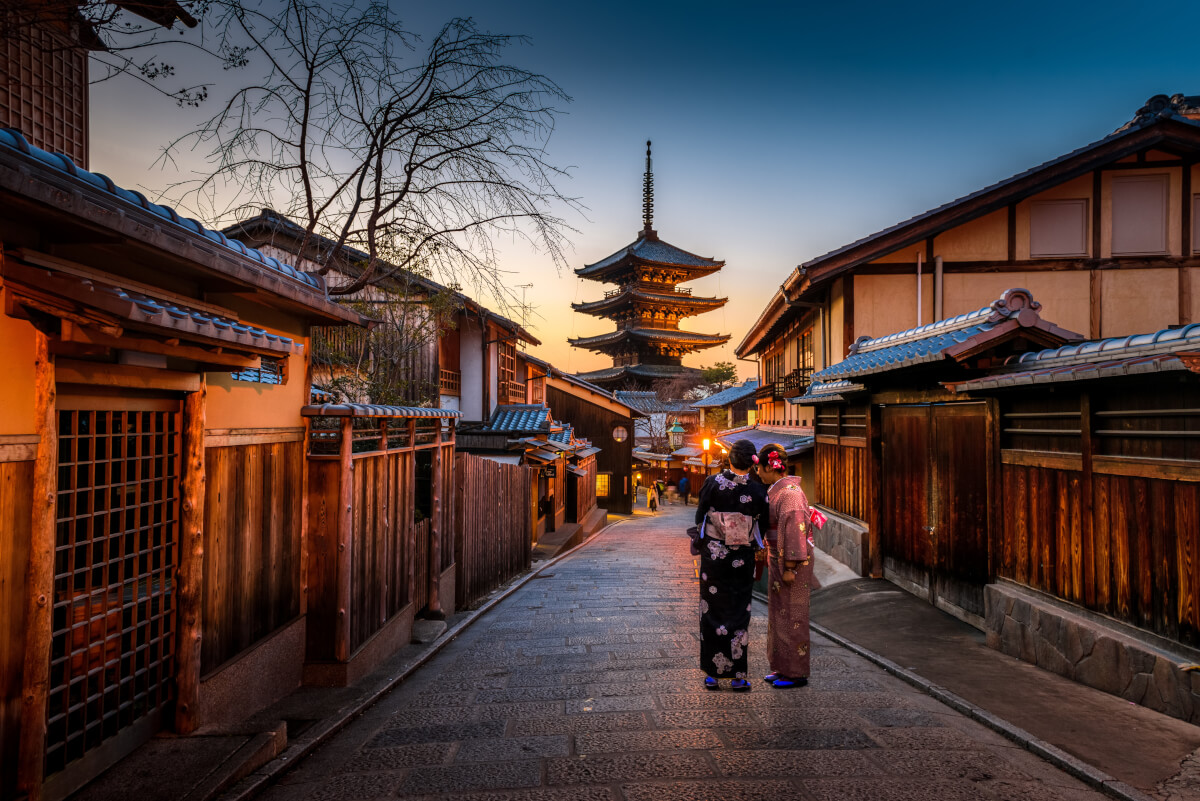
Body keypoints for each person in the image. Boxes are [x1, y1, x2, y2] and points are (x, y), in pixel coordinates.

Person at [694, 439, 769, 691]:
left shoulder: (712, 482)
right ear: (752, 462)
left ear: (730, 459)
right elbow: (763, 524)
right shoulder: (758, 490)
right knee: (739, 611)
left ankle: (713, 675)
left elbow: (700, 514)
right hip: (742, 558)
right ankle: (738, 675)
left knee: (711, 609)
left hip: (714, 557)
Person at [756, 443, 815, 688]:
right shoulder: (780, 491)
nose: (757, 473)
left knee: (793, 616)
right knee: (779, 614)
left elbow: (794, 532)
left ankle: (796, 672)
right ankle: (781, 667)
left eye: (759, 468)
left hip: (792, 564)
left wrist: (790, 567)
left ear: (771, 466)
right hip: (779, 560)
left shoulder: (789, 494)